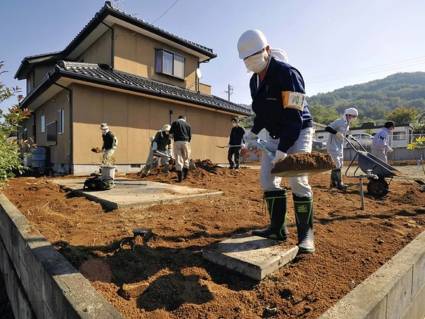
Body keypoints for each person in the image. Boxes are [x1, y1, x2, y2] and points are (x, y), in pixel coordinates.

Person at [237, 29, 315, 253]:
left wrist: (283, 150)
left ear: (267, 50)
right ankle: (277, 229)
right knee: (268, 180)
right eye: (246, 61)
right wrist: (251, 134)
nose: (251, 64)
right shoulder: (254, 82)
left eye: (254, 58)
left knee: (298, 180)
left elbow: (294, 116)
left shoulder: (288, 74)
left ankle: (306, 236)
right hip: (274, 133)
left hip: (298, 131)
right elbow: (261, 113)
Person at [325, 107, 358, 190]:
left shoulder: (347, 124)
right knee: (337, 165)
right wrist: (336, 133)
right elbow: (327, 128)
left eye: (354, 117)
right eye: (352, 116)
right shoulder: (339, 121)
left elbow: (344, 134)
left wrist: (349, 136)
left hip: (340, 146)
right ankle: (339, 183)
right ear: (347, 115)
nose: (353, 118)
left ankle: (333, 183)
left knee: (339, 165)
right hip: (333, 146)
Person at [170, 115, 192, 182]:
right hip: (186, 142)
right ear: (184, 119)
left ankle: (180, 179)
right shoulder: (188, 125)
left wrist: (172, 139)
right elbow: (190, 136)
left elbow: (171, 134)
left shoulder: (175, 123)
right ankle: (184, 177)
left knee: (179, 159)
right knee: (186, 158)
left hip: (177, 142)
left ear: (178, 118)